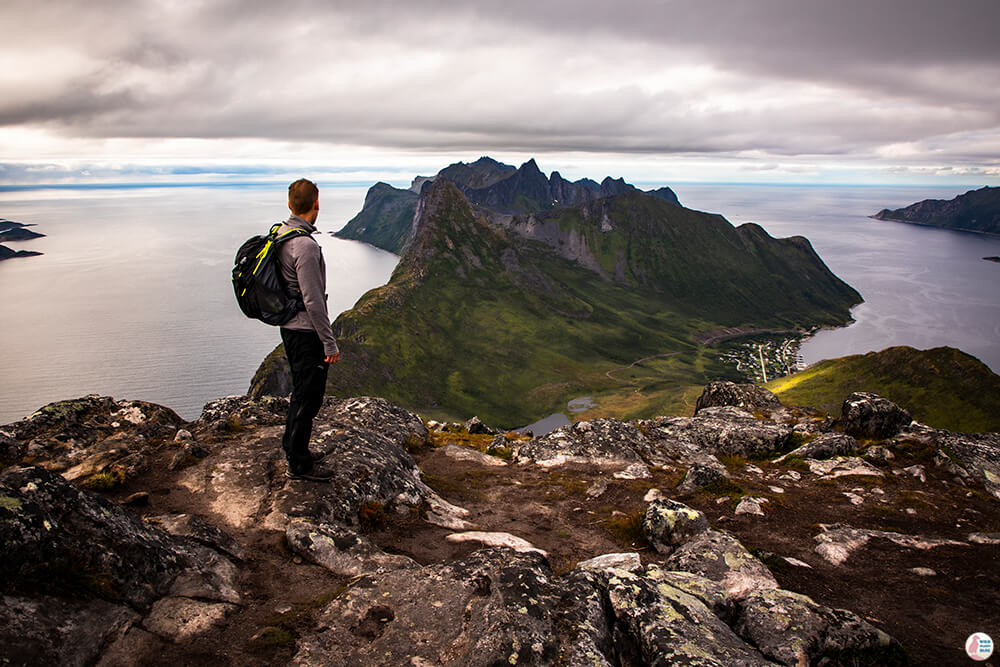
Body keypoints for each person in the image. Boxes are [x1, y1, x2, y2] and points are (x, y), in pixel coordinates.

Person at [276, 178, 340, 480]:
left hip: (289, 327)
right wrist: (329, 343)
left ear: (290, 205)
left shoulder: (281, 235)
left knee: (301, 392)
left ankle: (293, 445)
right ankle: (299, 463)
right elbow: (314, 301)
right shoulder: (305, 245)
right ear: (316, 204)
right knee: (309, 395)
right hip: (305, 331)